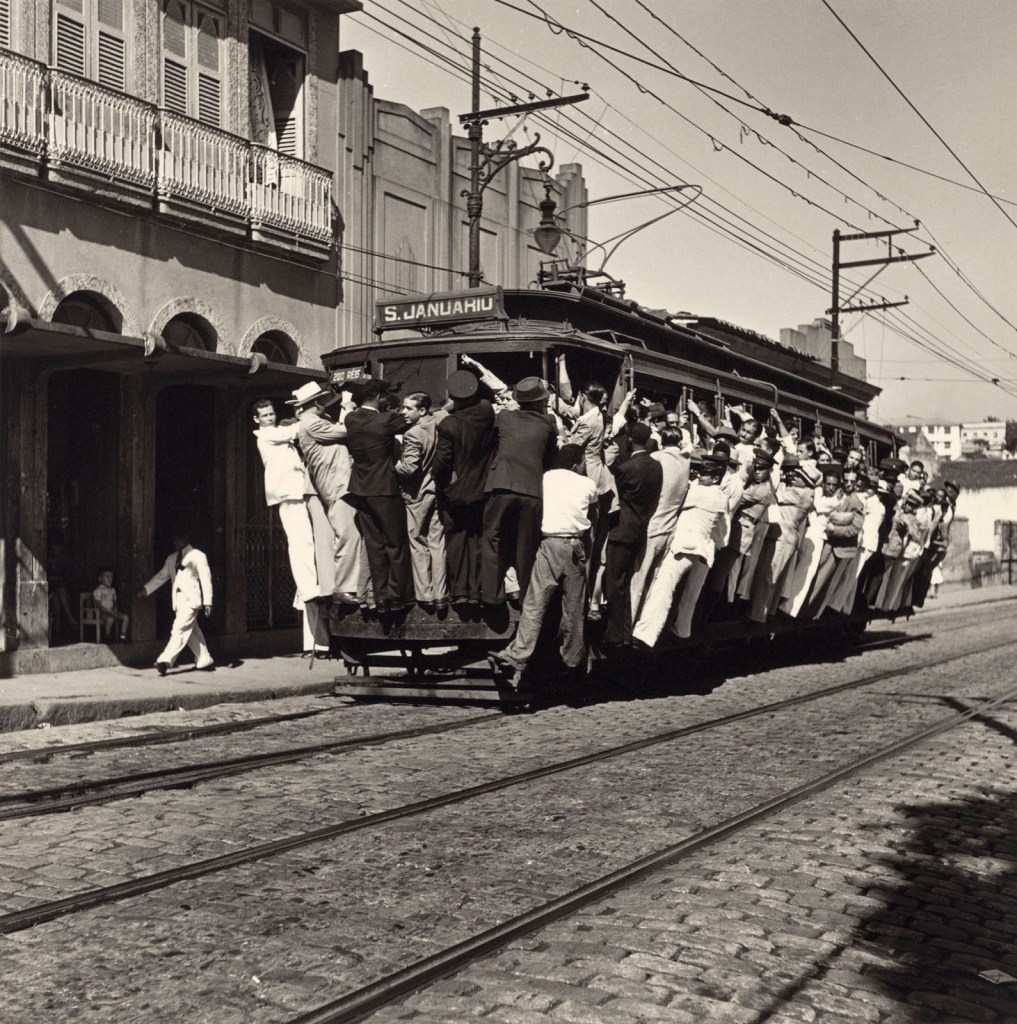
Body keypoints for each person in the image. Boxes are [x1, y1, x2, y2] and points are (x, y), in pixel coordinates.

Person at [492, 444, 598, 684]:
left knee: (534, 603)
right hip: (575, 546)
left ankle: (518, 654)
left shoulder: (545, 478)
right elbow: (594, 516)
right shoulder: (587, 484)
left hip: (549, 544)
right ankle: (572, 660)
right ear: (577, 463)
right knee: (573, 609)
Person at [632, 450, 730, 648]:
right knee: (689, 597)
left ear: (716, 477)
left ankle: (645, 635)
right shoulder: (721, 497)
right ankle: (682, 631)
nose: (699, 475)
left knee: (663, 588)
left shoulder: (701, 493)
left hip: (684, 548)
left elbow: (678, 494)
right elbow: (720, 533)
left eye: (704, 473)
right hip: (701, 551)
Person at [252, 396, 326, 655]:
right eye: (265, 415)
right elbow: (295, 429)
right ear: (257, 420)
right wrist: (310, 414)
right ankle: (309, 595)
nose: (270, 418)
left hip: (295, 493)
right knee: (302, 548)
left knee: (305, 551)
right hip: (288, 495)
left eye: (272, 414)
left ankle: (312, 635)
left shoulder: (278, 435)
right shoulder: (266, 435)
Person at [481, 376, 559, 605]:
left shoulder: (503, 417)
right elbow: (550, 459)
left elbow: (489, 443)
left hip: (501, 483)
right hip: (532, 489)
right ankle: (526, 596)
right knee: (527, 545)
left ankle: (492, 596)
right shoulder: (548, 423)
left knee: (492, 537)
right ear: (539, 402)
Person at [343, 378, 415, 612]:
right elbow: (410, 420)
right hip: (384, 488)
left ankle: (381, 597)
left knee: (374, 544)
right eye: (384, 396)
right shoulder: (385, 420)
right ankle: (398, 596)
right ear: (379, 398)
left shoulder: (350, 419)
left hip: (360, 489)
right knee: (395, 543)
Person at [293, 383, 364, 607]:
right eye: (323, 401)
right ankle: (344, 588)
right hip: (337, 486)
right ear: (316, 403)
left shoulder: (312, 422)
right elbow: (346, 430)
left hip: (339, 485)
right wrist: (349, 408)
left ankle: (346, 586)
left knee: (349, 534)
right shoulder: (311, 422)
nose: (325, 405)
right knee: (348, 535)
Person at [433, 370, 496, 606]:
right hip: (483, 487)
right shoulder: (486, 412)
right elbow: (482, 403)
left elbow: (442, 462)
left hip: (456, 491)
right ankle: (476, 590)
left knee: (457, 540)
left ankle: (459, 591)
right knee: (478, 537)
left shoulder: (448, 425)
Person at [602, 422, 663, 647]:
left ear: (629, 440)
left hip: (621, 531)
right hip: (640, 530)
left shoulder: (626, 469)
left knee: (614, 583)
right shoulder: (657, 467)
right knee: (627, 583)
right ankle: (625, 633)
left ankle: (615, 634)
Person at [629, 426, 691, 622]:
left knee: (638, 578)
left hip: (653, 525)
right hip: (670, 528)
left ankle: (629, 621)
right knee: (653, 581)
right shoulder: (685, 461)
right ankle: (643, 624)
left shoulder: (657, 458)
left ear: (662, 442)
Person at [394, 392, 448, 609]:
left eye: (408, 408)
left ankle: (425, 595)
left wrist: (392, 465)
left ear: (422, 410)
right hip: (437, 491)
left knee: (417, 541)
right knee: (437, 542)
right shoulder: (438, 423)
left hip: (417, 494)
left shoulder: (413, 434)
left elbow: (409, 468)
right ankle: (441, 594)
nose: (403, 412)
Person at [137, 528, 214, 675]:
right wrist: (146, 589)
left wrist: (208, 602)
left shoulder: (198, 556)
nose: (175, 542)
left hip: (191, 600)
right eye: (174, 540)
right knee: (191, 632)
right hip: (178, 602)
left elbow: (206, 579)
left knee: (178, 629)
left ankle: (165, 661)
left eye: (178, 539)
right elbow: (162, 576)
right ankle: (205, 658)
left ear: (186, 538)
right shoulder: (171, 558)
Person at [93, 567, 129, 641]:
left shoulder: (113, 590)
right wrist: (109, 612)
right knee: (110, 619)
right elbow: (98, 604)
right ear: (100, 579)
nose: (110, 579)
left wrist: (115, 608)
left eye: (111, 577)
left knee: (126, 617)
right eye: (107, 576)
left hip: (112, 612)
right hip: (103, 613)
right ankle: (107, 636)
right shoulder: (98, 590)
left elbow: (115, 601)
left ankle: (122, 637)